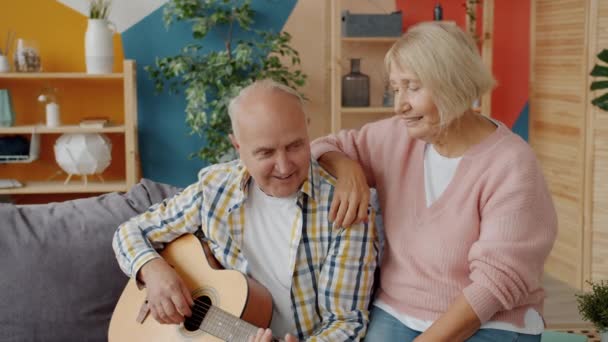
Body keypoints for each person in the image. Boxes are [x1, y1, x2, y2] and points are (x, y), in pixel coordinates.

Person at [310, 22, 557, 342]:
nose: (399, 105)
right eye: (395, 89)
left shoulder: (511, 164)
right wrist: (348, 170)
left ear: (452, 81)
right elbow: (320, 147)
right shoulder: (395, 137)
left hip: (491, 319)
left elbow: (495, 284)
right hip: (399, 309)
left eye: (412, 87)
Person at [112, 79, 379, 342]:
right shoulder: (214, 189)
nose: (284, 166)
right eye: (265, 153)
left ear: (307, 131)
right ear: (238, 147)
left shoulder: (345, 208)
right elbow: (130, 232)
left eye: (295, 146)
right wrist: (152, 270)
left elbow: (346, 322)